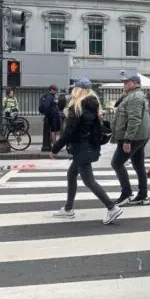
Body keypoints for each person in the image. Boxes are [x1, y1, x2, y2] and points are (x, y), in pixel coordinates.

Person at [50, 78, 123, 225]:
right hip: (89, 146)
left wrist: (55, 148)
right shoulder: (93, 105)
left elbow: (69, 131)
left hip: (81, 148)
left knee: (89, 181)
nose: (72, 91)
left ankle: (111, 207)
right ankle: (68, 208)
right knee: (72, 174)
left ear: (79, 90)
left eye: (74, 88)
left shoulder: (77, 106)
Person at [111, 71, 150, 206]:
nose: (124, 84)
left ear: (134, 83)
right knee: (138, 165)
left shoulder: (134, 97)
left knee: (116, 163)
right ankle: (142, 195)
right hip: (139, 136)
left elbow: (134, 119)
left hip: (133, 137)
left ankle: (126, 193)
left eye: (126, 82)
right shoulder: (134, 95)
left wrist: (127, 140)